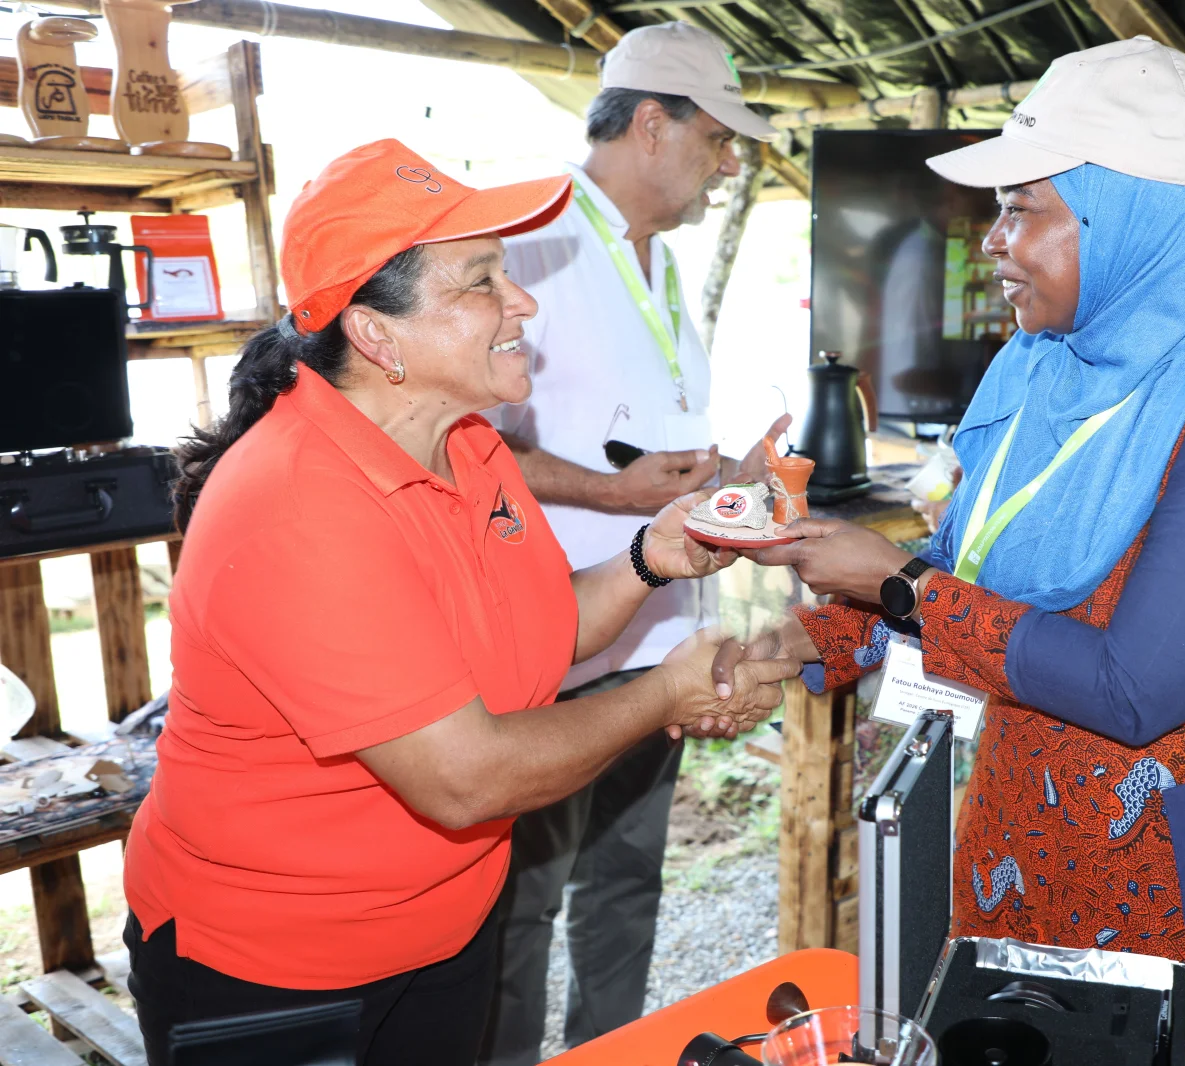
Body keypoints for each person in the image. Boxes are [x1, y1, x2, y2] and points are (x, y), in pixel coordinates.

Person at [120, 139, 795, 1066]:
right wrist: (664, 695)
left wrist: (650, 557)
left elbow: (536, 631)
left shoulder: (467, 444)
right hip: (275, 970)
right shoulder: (295, 501)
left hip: (441, 933)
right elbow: (464, 776)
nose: (523, 303)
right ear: (375, 335)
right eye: (482, 282)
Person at [744, 38, 1185, 1065]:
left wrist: (896, 585)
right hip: (1022, 844)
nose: (992, 242)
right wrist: (809, 640)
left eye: (1022, 209)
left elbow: (1132, 687)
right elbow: (973, 569)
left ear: (1129, 217)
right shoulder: (1044, 365)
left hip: (1178, 885)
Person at [478, 22, 786, 1063]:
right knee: (521, 910)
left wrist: (732, 477)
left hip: (659, 646)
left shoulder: (661, 262)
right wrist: (609, 493)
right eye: (718, 138)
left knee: (626, 888)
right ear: (651, 125)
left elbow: (641, 447)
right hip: (554, 646)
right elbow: (469, 446)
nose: (728, 165)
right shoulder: (530, 241)